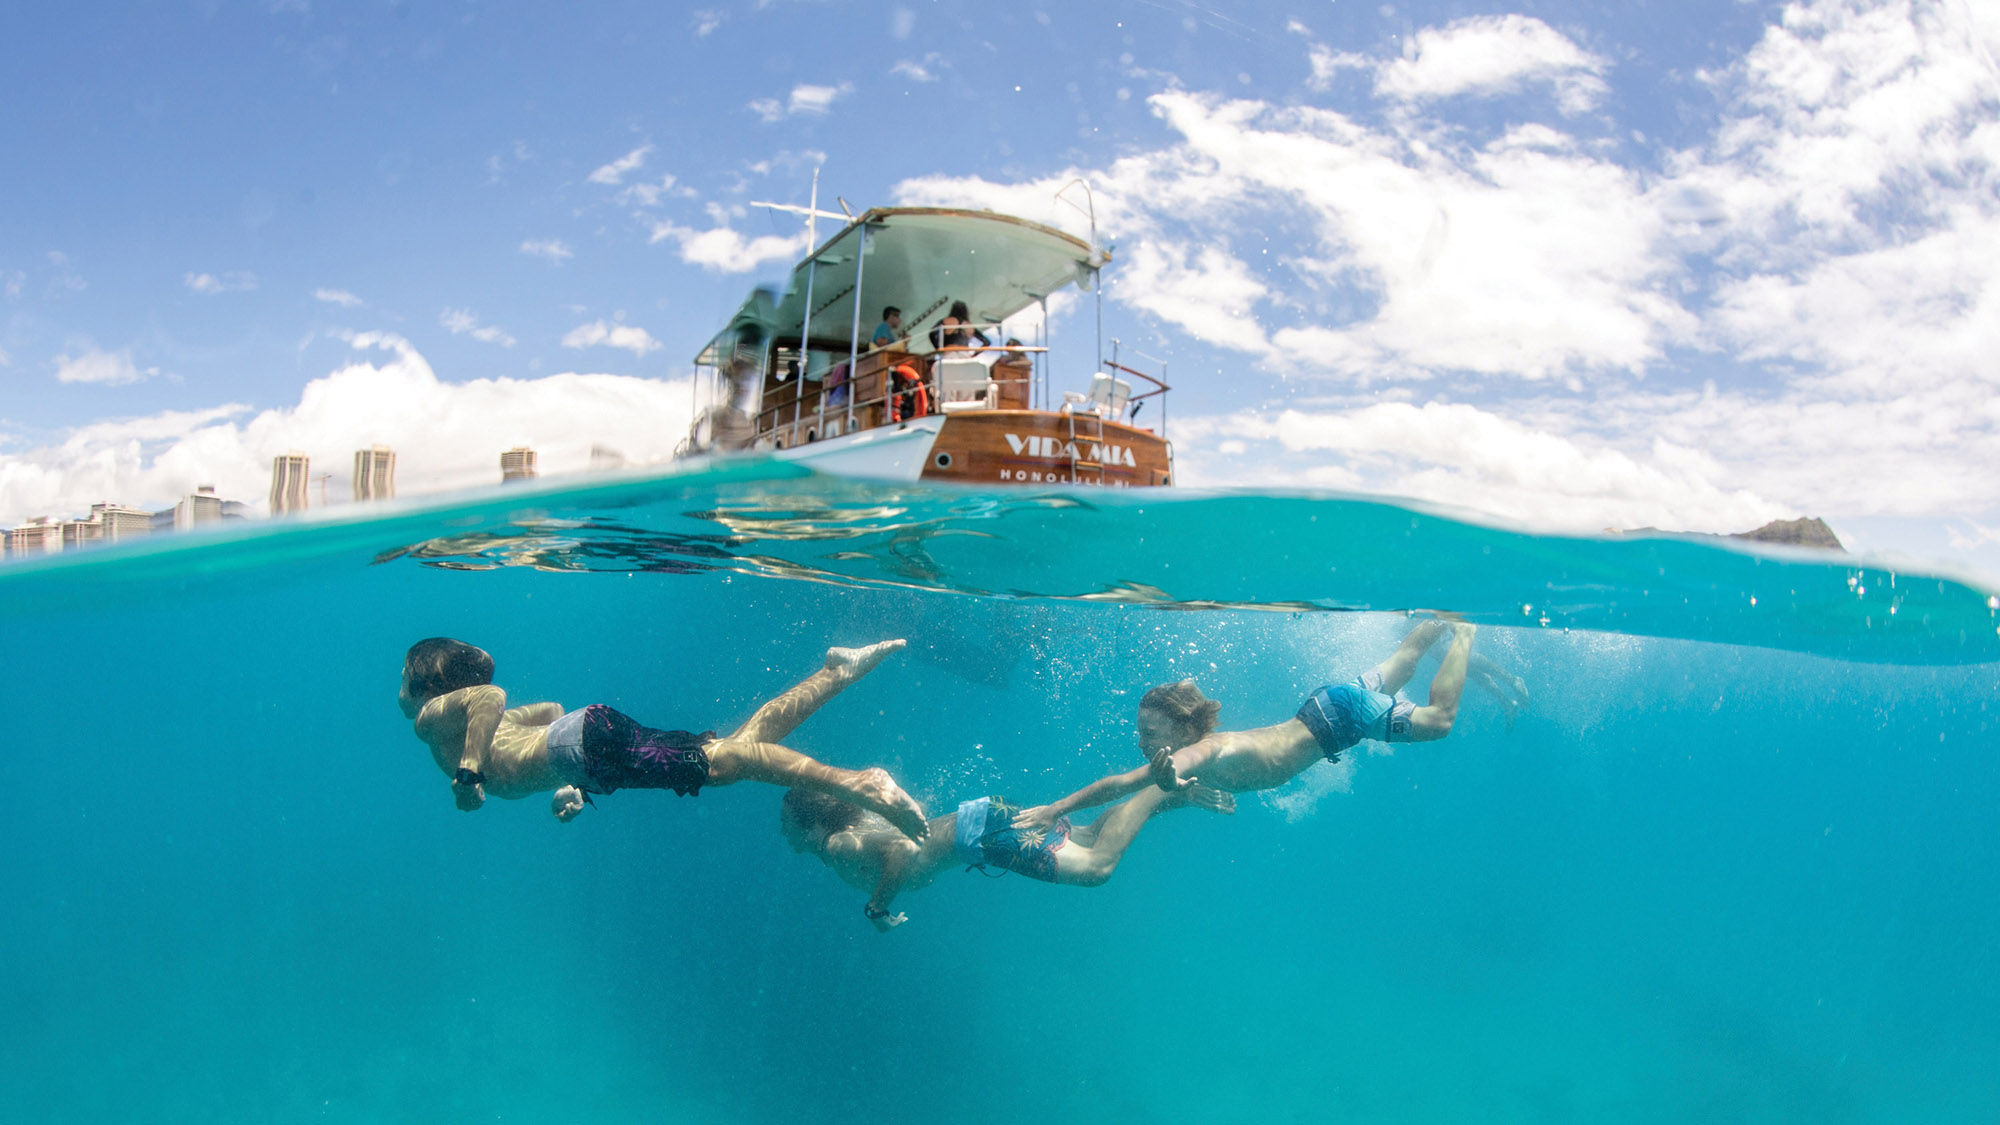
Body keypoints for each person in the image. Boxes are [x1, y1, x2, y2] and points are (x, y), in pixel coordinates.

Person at [399, 636, 929, 841]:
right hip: (582, 747)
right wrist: (573, 785)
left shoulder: (430, 720)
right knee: (735, 749)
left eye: (403, 679)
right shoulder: (496, 725)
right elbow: (550, 711)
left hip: (582, 745)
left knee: (723, 764)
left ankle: (860, 784)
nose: (399, 692)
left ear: (426, 685)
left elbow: (488, 697)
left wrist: (469, 773)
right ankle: (837, 672)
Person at [1014, 620, 1518, 827]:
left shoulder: (1204, 751)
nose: (1141, 742)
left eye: (1150, 734)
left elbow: (1123, 783)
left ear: (1183, 731)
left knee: (1440, 721)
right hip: (1325, 707)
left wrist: (1054, 809)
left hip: (1338, 720)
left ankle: (1464, 627)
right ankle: (1439, 617)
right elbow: (1167, 784)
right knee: (1404, 662)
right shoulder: (1200, 757)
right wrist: (1183, 791)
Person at [781, 781, 1232, 931]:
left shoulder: (837, 845)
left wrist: (877, 908)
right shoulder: (855, 830)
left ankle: (1156, 790)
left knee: (1097, 868)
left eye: (786, 820)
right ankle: (1176, 798)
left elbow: (901, 852)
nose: (782, 831)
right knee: (1094, 836)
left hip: (983, 837)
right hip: (983, 822)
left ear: (810, 821)